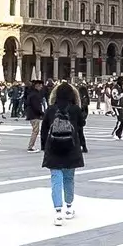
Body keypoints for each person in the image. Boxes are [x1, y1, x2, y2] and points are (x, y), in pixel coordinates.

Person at [41, 80, 87, 223]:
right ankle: (69, 207)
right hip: (71, 148)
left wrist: (44, 147)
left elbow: (44, 129)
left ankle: (58, 212)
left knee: (56, 180)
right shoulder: (75, 109)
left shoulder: (50, 109)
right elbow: (82, 124)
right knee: (69, 178)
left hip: (53, 148)